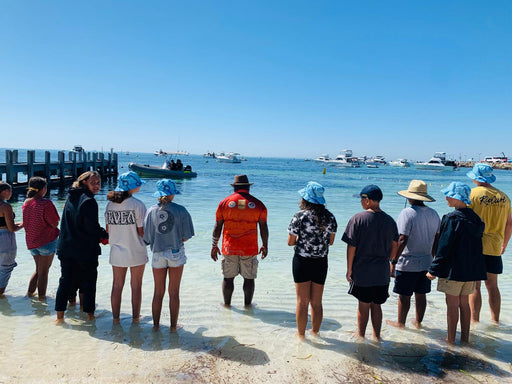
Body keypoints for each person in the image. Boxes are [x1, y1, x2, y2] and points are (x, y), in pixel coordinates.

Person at [426, 182, 486, 345]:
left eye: (449, 195)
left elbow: (444, 247)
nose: (446, 198)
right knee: (464, 303)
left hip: (453, 270)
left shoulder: (451, 218)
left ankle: (450, 340)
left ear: (456, 198)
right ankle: (465, 339)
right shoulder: (476, 218)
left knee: (452, 305)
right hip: (470, 270)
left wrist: (434, 269)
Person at [342, 185, 398, 340]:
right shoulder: (390, 220)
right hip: (382, 270)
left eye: (362, 199)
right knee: (377, 305)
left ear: (367, 200)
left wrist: (349, 269)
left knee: (363, 304)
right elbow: (396, 244)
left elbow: (351, 246)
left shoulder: (357, 219)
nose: (361, 202)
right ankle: (377, 336)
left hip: (363, 270)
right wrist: (390, 259)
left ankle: (361, 336)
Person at [54, 171, 108, 324]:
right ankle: (90, 316)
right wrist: (107, 235)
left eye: (99, 182)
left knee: (65, 281)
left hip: (65, 247)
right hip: (84, 249)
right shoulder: (89, 201)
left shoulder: (71, 196)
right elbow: (92, 228)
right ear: (84, 182)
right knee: (89, 282)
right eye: (94, 182)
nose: (97, 185)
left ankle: (59, 318)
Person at [387, 180, 440, 329]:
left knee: (404, 296)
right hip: (427, 261)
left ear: (410, 197)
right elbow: (437, 238)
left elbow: (402, 239)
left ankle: (400, 324)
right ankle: (418, 323)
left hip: (408, 262)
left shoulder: (407, 213)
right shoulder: (434, 213)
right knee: (421, 294)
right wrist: (433, 258)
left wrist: (393, 261)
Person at [287, 181, 337, 339]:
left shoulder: (299, 217)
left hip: (302, 261)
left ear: (306, 199)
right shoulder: (330, 217)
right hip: (321, 262)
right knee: (317, 302)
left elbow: (290, 242)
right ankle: (315, 333)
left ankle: (301, 336)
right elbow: (331, 241)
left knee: (302, 302)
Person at [143, 179, 194, 332]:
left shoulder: (151, 211)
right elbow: (186, 236)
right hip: (175, 253)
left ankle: (156, 326)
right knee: (174, 292)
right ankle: (173, 327)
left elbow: (146, 238)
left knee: (158, 292)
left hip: (157, 253)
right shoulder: (181, 210)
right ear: (173, 193)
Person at [211, 175, 268, 307]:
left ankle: (227, 306)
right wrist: (265, 245)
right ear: (248, 187)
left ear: (234, 188)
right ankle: (248, 306)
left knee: (228, 278)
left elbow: (217, 226)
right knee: (249, 278)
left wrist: (214, 245)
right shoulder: (259, 204)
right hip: (249, 248)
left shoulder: (224, 203)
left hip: (229, 247)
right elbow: (263, 227)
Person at [466, 163, 512, 324]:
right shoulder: (504, 197)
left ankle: (474, 321)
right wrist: (504, 244)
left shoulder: (472, 195)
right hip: (495, 245)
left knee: (475, 286)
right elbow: (509, 224)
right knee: (493, 286)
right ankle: (495, 321)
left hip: (475, 246)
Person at [105, 171, 148, 325]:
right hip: (136, 249)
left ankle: (115, 319)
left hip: (116, 250)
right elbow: (141, 231)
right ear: (132, 186)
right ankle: (135, 318)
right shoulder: (138, 205)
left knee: (117, 285)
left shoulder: (110, 205)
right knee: (136, 286)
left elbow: (108, 230)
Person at [22, 177, 60, 301]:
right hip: (46, 241)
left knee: (38, 270)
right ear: (43, 189)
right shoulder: (46, 203)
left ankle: (29, 295)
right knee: (44, 272)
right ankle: (42, 299)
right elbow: (54, 223)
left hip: (32, 241)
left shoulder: (26, 202)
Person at [0, 182, 23, 297]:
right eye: (10, 191)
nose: (11, 194)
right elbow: (12, 228)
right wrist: (25, 224)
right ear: (4, 191)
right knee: (6, 267)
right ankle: (0, 294)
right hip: (5, 238)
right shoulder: (5, 206)